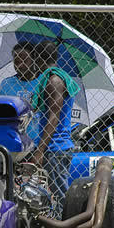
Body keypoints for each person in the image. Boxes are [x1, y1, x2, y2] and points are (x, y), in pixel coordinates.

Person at [30, 40, 78, 218]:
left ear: (38, 60)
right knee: (52, 197)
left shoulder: (54, 81)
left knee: (60, 197)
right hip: (53, 147)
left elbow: (54, 116)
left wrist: (40, 150)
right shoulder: (52, 80)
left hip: (55, 147)